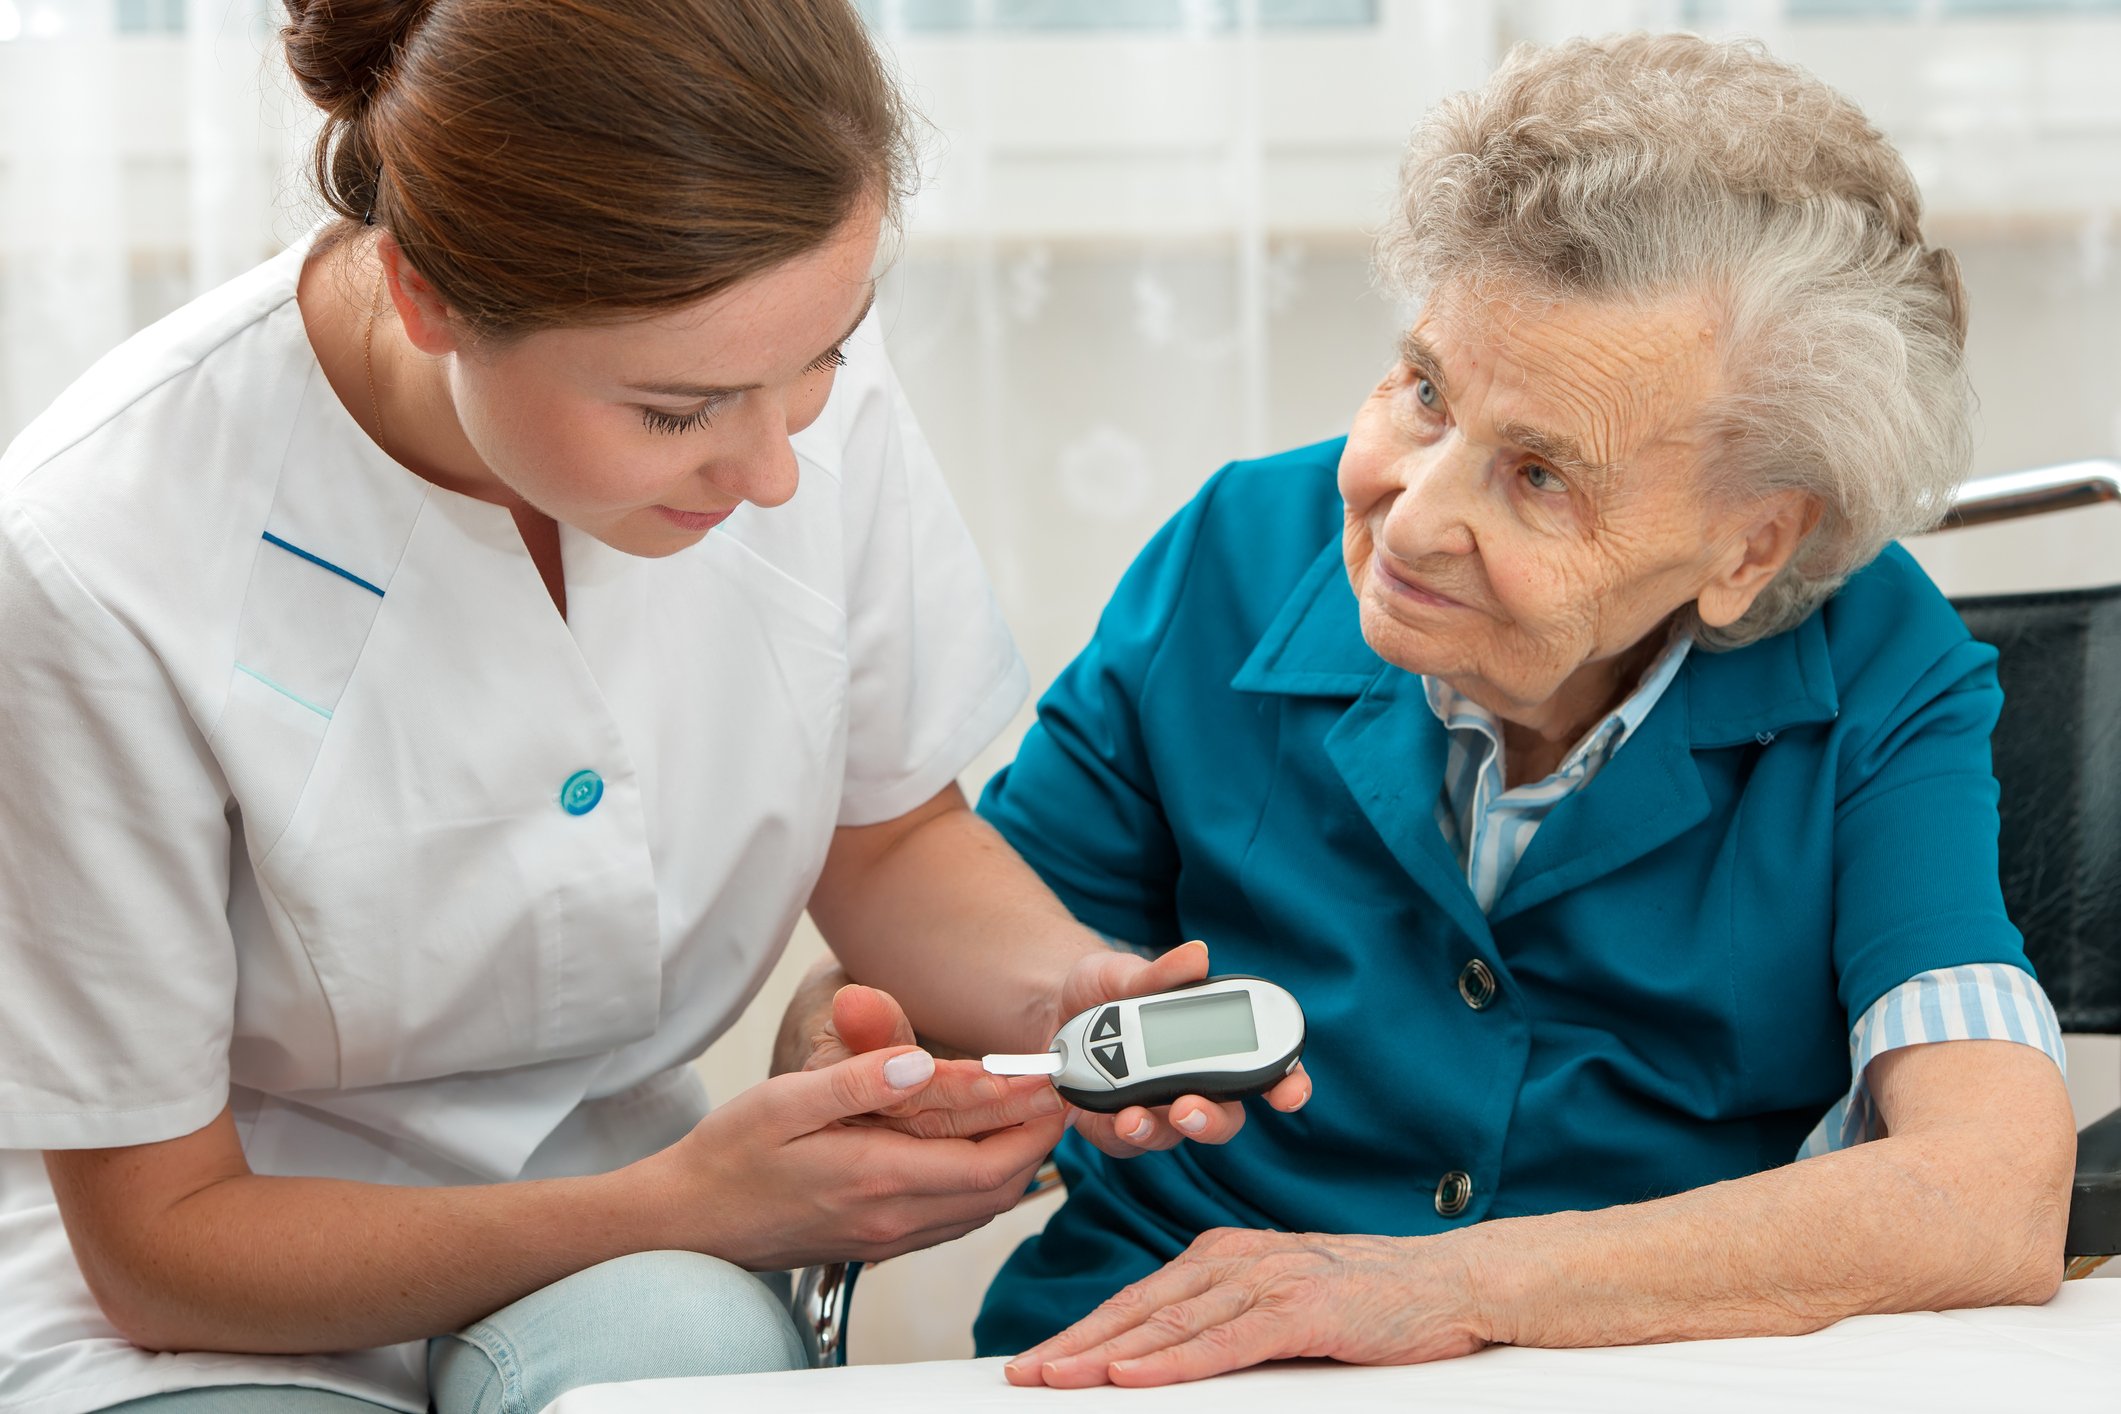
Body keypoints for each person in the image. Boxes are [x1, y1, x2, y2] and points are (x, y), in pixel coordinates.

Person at [0, 3, 1305, 1411]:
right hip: (215, 1301)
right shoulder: (96, 554)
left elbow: (883, 837)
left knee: (682, 1365)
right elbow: (161, 1247)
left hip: (635, 1257)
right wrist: (695, 1200)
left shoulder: (770, 364)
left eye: (822, 356)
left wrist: (1066, 994)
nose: (772, 471)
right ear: (426, 291)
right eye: (678, 412)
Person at [938, 33, 2073, 1387]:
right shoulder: (1233, 553)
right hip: (1155, 1349)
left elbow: (1987, 1187)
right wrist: (878, 1042)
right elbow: (963, 976)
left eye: (1538, 475)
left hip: (1607, 1371)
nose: (1412, 518)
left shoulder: (1882, 665)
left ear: (1751, 547)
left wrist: (1449, 1288)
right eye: (1424, 391)